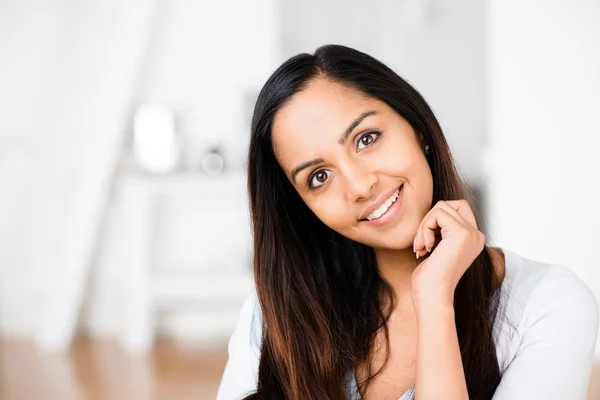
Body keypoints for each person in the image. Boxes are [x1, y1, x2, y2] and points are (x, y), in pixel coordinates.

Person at [216, 44, 599, 400]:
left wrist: (434, 300)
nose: (361, 185)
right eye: (319, 176)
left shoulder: (547, 304)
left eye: (367, 138)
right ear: (302, 208)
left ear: (415, 125)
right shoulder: (277, 317)